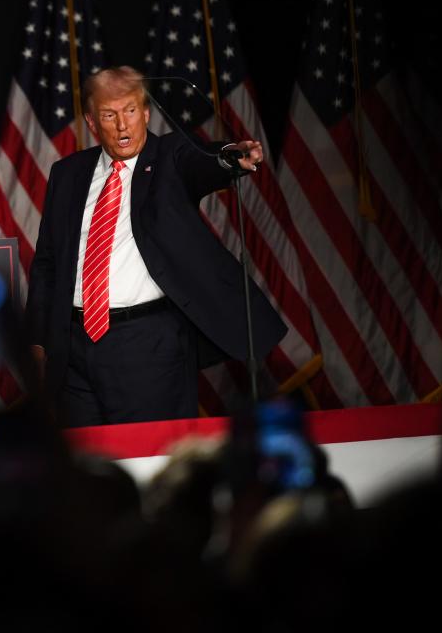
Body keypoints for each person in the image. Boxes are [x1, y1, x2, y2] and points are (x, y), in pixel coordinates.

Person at [25, 66, 287, 426]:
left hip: (149, 345)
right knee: (84, 467)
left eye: (131, 111)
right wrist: (37, 341)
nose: (122, 125)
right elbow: (47, 265)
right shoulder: (67, 174)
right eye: (109, 115)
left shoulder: (171, 158)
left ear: (145, 113)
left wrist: (230, 157)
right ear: (91, 122)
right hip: (72, 351)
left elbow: (203, 161)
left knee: (150, 460)